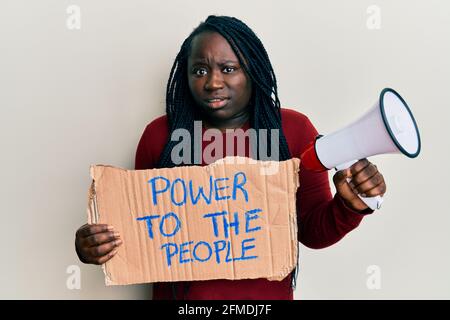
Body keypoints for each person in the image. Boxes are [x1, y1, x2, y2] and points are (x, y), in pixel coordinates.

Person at [75, 15, 386, 300]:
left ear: (252, 69)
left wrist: (350, 206)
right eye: (200, 70)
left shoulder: (293, 131)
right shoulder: (161, 136)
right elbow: (140, 236)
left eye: (228, 68)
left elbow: (313, 233)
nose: (212, 82)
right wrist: (94, 245)